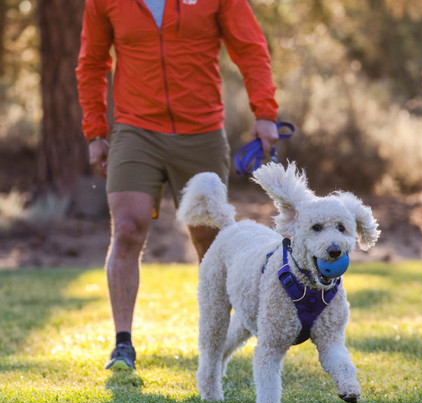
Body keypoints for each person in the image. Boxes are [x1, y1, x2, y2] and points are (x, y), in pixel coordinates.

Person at [76, 0, 279, 370]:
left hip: (201, 130)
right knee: (127, 227)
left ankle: (218, 344)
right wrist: (95, 132)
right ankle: (122, 344)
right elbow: (91, 61)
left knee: (211, 239)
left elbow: (249, 47)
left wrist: (264, 112)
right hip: (135, 128)